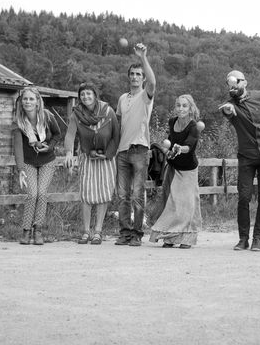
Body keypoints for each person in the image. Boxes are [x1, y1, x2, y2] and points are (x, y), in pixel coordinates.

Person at [219, 70, 260, 252]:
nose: (233, 85)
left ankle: (257, 239)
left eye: (236, 81)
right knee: (244, 197)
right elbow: (228, 112)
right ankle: (243, 239)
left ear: (245, 82)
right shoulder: (229, 105)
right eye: (229, 83)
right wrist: (229, 111)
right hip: (246, 157)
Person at [63, 82, 119, 245]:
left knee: (103, 193)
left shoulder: (108, 111)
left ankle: (98, 231)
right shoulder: (76, 114)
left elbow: (116, 135)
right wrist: (68, 153)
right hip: (86, 155)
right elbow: (70, 135)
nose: (86, 97)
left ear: (95, 95)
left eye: (89, 93)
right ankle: (86, 231)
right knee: (86, 194)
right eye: (82, 94)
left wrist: (108, 154)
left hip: (106, 157)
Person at [114, 42, 156, 247]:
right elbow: (118, 123)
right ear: (128, 76)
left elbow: (154, 81)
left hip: (140, 149)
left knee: (138, 195)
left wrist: (143, 58)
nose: (134, 77)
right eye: (132, 74)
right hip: (122, 151)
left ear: (143, 78)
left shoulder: (146, 95)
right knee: (123, 196)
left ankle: (137, 234)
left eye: (138, 74)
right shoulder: (122, 98)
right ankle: (125, 233)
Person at [149, 95, 203, 249]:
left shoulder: (194, 127)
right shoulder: (172, 122)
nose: (181, 108)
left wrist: (180, 148)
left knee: (186, 205)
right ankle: (170, 238)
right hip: (173, 166)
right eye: (178, 105)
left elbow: (189, 146)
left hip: (188, 170)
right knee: (171, 203)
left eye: (185, 106)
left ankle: (187, 238)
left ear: (191, 108)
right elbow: (169, 141)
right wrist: (168, 148)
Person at [12, 86, 61, 245]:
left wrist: (50, 146)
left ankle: (38, 229)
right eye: (25, 99)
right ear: (21, 101)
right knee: (32, 194)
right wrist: (20, 170)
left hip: (47, 160)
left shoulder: (47, 116)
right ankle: (26, 231)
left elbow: (57, 134)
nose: (28, 102)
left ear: (38, 102)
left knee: (42, 193)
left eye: (31, 99)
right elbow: (18, 148)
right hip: (29, 162)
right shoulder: (18, 121)